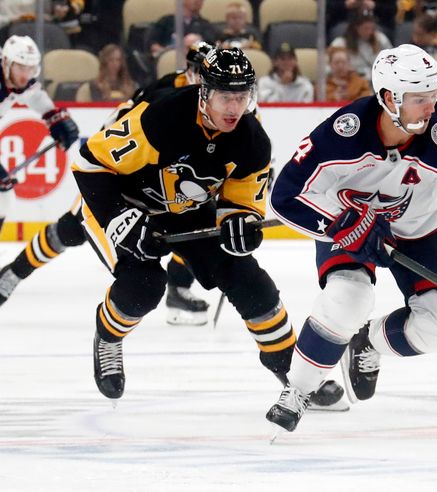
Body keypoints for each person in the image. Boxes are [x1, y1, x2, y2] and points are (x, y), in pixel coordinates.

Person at [68, 47, 345, 411]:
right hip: (124, 203)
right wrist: (120, 218)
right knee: (144, 286)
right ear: (204, 93)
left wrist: (239, 224)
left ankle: (294, 374)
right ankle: (107, 337)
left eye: (241, 96)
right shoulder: (162, 117)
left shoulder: (251, 140)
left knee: (249, 281)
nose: (234, 107)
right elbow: (88, 161)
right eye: (225, 97)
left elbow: (241, 202)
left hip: (187, 211)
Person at [266, 44, 437, 432]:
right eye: (420, 99)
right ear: (389, 98)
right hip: (350, 226)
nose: (431, 108)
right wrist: (340, 223)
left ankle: (368, 343)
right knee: (347, 298)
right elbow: (285, 196)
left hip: (420, 230)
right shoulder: (344, 132)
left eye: (434, 97)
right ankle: (300, 389)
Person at [0, 42, 214, 327]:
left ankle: (178, 288)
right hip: (125, 172)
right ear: (189, 71)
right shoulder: (164, 92)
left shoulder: (220, 98)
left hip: (168, 178)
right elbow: (120, 127)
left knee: (198, 225)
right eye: (202, 74)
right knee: (72, 230)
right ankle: (14, 272)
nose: (207, 84)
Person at [0, 35, 79, 236]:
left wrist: (54, 117)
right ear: (6, 62)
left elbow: (34, 96)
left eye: (30, 69)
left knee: (3, 196)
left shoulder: (15, 80)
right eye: (21, 68)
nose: (26, 75)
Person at [330, 13, 393, 82]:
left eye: (372, 29)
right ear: (356, 27)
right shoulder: (340, 43)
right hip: (350, 82)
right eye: (366, 28)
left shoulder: (380, 39)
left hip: (377, 80)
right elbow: (327, 67)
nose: (369, 32)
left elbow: (392, 59)